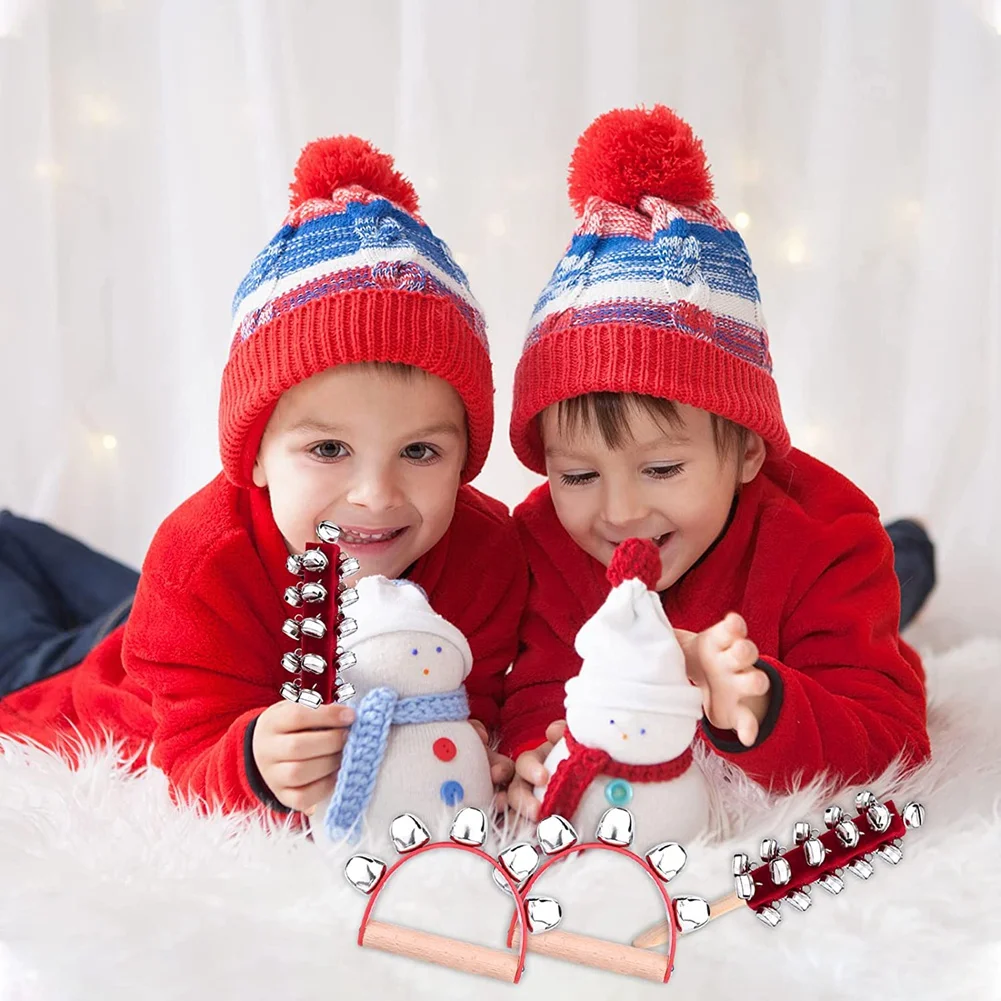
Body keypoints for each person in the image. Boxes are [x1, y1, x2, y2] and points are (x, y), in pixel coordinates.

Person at [0, 135, 525, 819]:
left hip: (183, 624)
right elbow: (184, 753)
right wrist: (248, 756)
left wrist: (482, 747)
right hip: (97, 680)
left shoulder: (487, 553)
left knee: (118, 606)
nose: (375, 493)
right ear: (253, 459)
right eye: (330, 449)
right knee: (27, 646)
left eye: (420, 452)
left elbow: (475, 699)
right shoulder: (196, 556)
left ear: (464, 458)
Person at [499, 106, 934, 818]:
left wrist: (758, 699)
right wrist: (533, 750)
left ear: (746, 449)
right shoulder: (548, 540)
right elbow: (540, 686)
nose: (618, 513)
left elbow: (893, 743)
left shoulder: (827, 541)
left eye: (661, 469)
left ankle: (908, 547)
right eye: (577, 475)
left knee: (899, 568)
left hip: (841, 583)